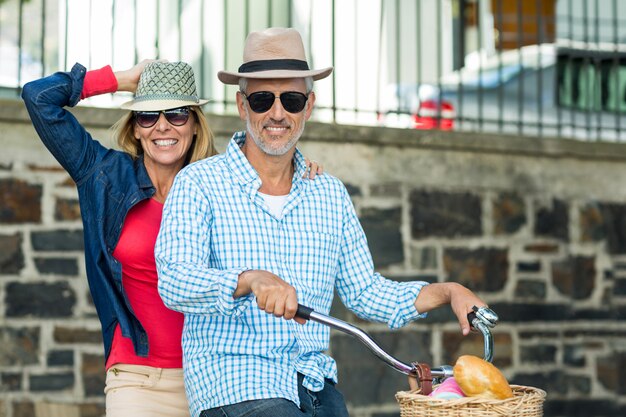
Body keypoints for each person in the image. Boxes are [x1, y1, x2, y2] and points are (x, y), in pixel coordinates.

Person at [155, 27, 487, 417]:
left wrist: (447, 291)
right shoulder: (199, 183)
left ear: (308, 106)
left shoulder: (328, 193)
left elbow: (365, 291)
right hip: (236, 381)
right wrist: (248, 280)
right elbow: (174, 280)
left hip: (315, 383)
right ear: (242, 106)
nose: (277, 113)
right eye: (263, 99)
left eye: (291, 99)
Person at [21, 59, 323, 417]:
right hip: (136, 379)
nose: (162, 126)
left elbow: (276, 168)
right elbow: (37, 97)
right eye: (148, 116)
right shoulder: (104, 176)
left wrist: (302, 171)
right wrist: (120, 79)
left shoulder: (222, 184)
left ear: (195, 125)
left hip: (219, 381)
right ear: (135, 128)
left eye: (177, 114)